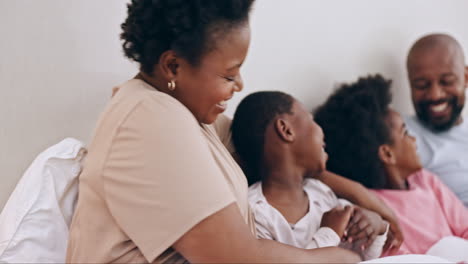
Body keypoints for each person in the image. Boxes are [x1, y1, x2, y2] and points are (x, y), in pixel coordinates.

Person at [66, 0, 363, 262]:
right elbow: (237, 258)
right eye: (229, 74)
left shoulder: (187, 114)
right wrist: (332, 253)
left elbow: (276, 151)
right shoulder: (149, 119)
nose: (239, 85)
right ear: (173, 66)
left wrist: (364, 197)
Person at [314, 74, 468, 258]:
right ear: (387, 154)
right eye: (405, 132)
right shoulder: (373, 211)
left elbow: (465, 227)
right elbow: (400, 257)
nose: (414, 139)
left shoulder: (425, 180)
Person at [231, 91, 388, 260]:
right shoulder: (255, 213)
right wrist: (329, 234)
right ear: (286, 130)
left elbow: (360, 259)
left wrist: (376, 228)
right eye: (311, 119)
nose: (321, 130)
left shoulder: (321, 193)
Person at [405, 33, 468, 206]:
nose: (435, 95)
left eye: (447, 81)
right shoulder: (401, 134)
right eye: (421, 85)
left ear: (465, 77)